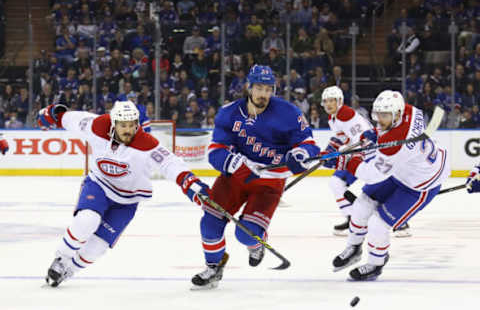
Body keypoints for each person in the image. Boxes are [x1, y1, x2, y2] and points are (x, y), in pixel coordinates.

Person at [37, 101, 210, 287]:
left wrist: (190, 182)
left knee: (97, 248)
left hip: (127, 201)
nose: (128, 130)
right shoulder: (97, 125)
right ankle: (61, 260)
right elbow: (73, 119)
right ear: (113, 123)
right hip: (99, 185)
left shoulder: (146, 143)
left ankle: (69, 270)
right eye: (123, 125)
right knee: (87, 220)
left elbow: (170, 163)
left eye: (131, 125)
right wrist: (56, 114)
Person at [192, 65, 319, 289]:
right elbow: (215, 151)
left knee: (246, 234)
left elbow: (308, 144)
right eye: (259, 88)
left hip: (269, 182)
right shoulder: (229, 112)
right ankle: (213, 267)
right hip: (235, 178)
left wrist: (299, 155)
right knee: (210, 223)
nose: (263, 94)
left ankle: (256, 245)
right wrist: (236, 166)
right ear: (248, 87)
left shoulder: (289, 113)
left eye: (269, 89)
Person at [331, 90, 450, 281]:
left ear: (396, 114)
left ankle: (375, 264)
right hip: (405, 168)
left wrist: (345, 162)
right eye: (378, 114)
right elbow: (390, 134)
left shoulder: (395, 146)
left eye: (384, 115)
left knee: (378, 224)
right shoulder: (410, 111)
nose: (379, 118)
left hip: (420, 183)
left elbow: (371, 175)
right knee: (362, 205)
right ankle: (353, 248)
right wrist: (376, 134)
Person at [320, 86, 373, 236]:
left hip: (369, 155)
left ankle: (400, 223)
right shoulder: (333, 118)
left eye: (332, 100)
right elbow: (340, 138)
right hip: (358, 153)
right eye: (326, 101)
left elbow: (362, 138)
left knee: (375, 191)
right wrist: (328, 152)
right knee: (336, 183)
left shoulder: (345, 114)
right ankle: (351, 218)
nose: (328, 104)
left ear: (340, 101)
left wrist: (341, 154)